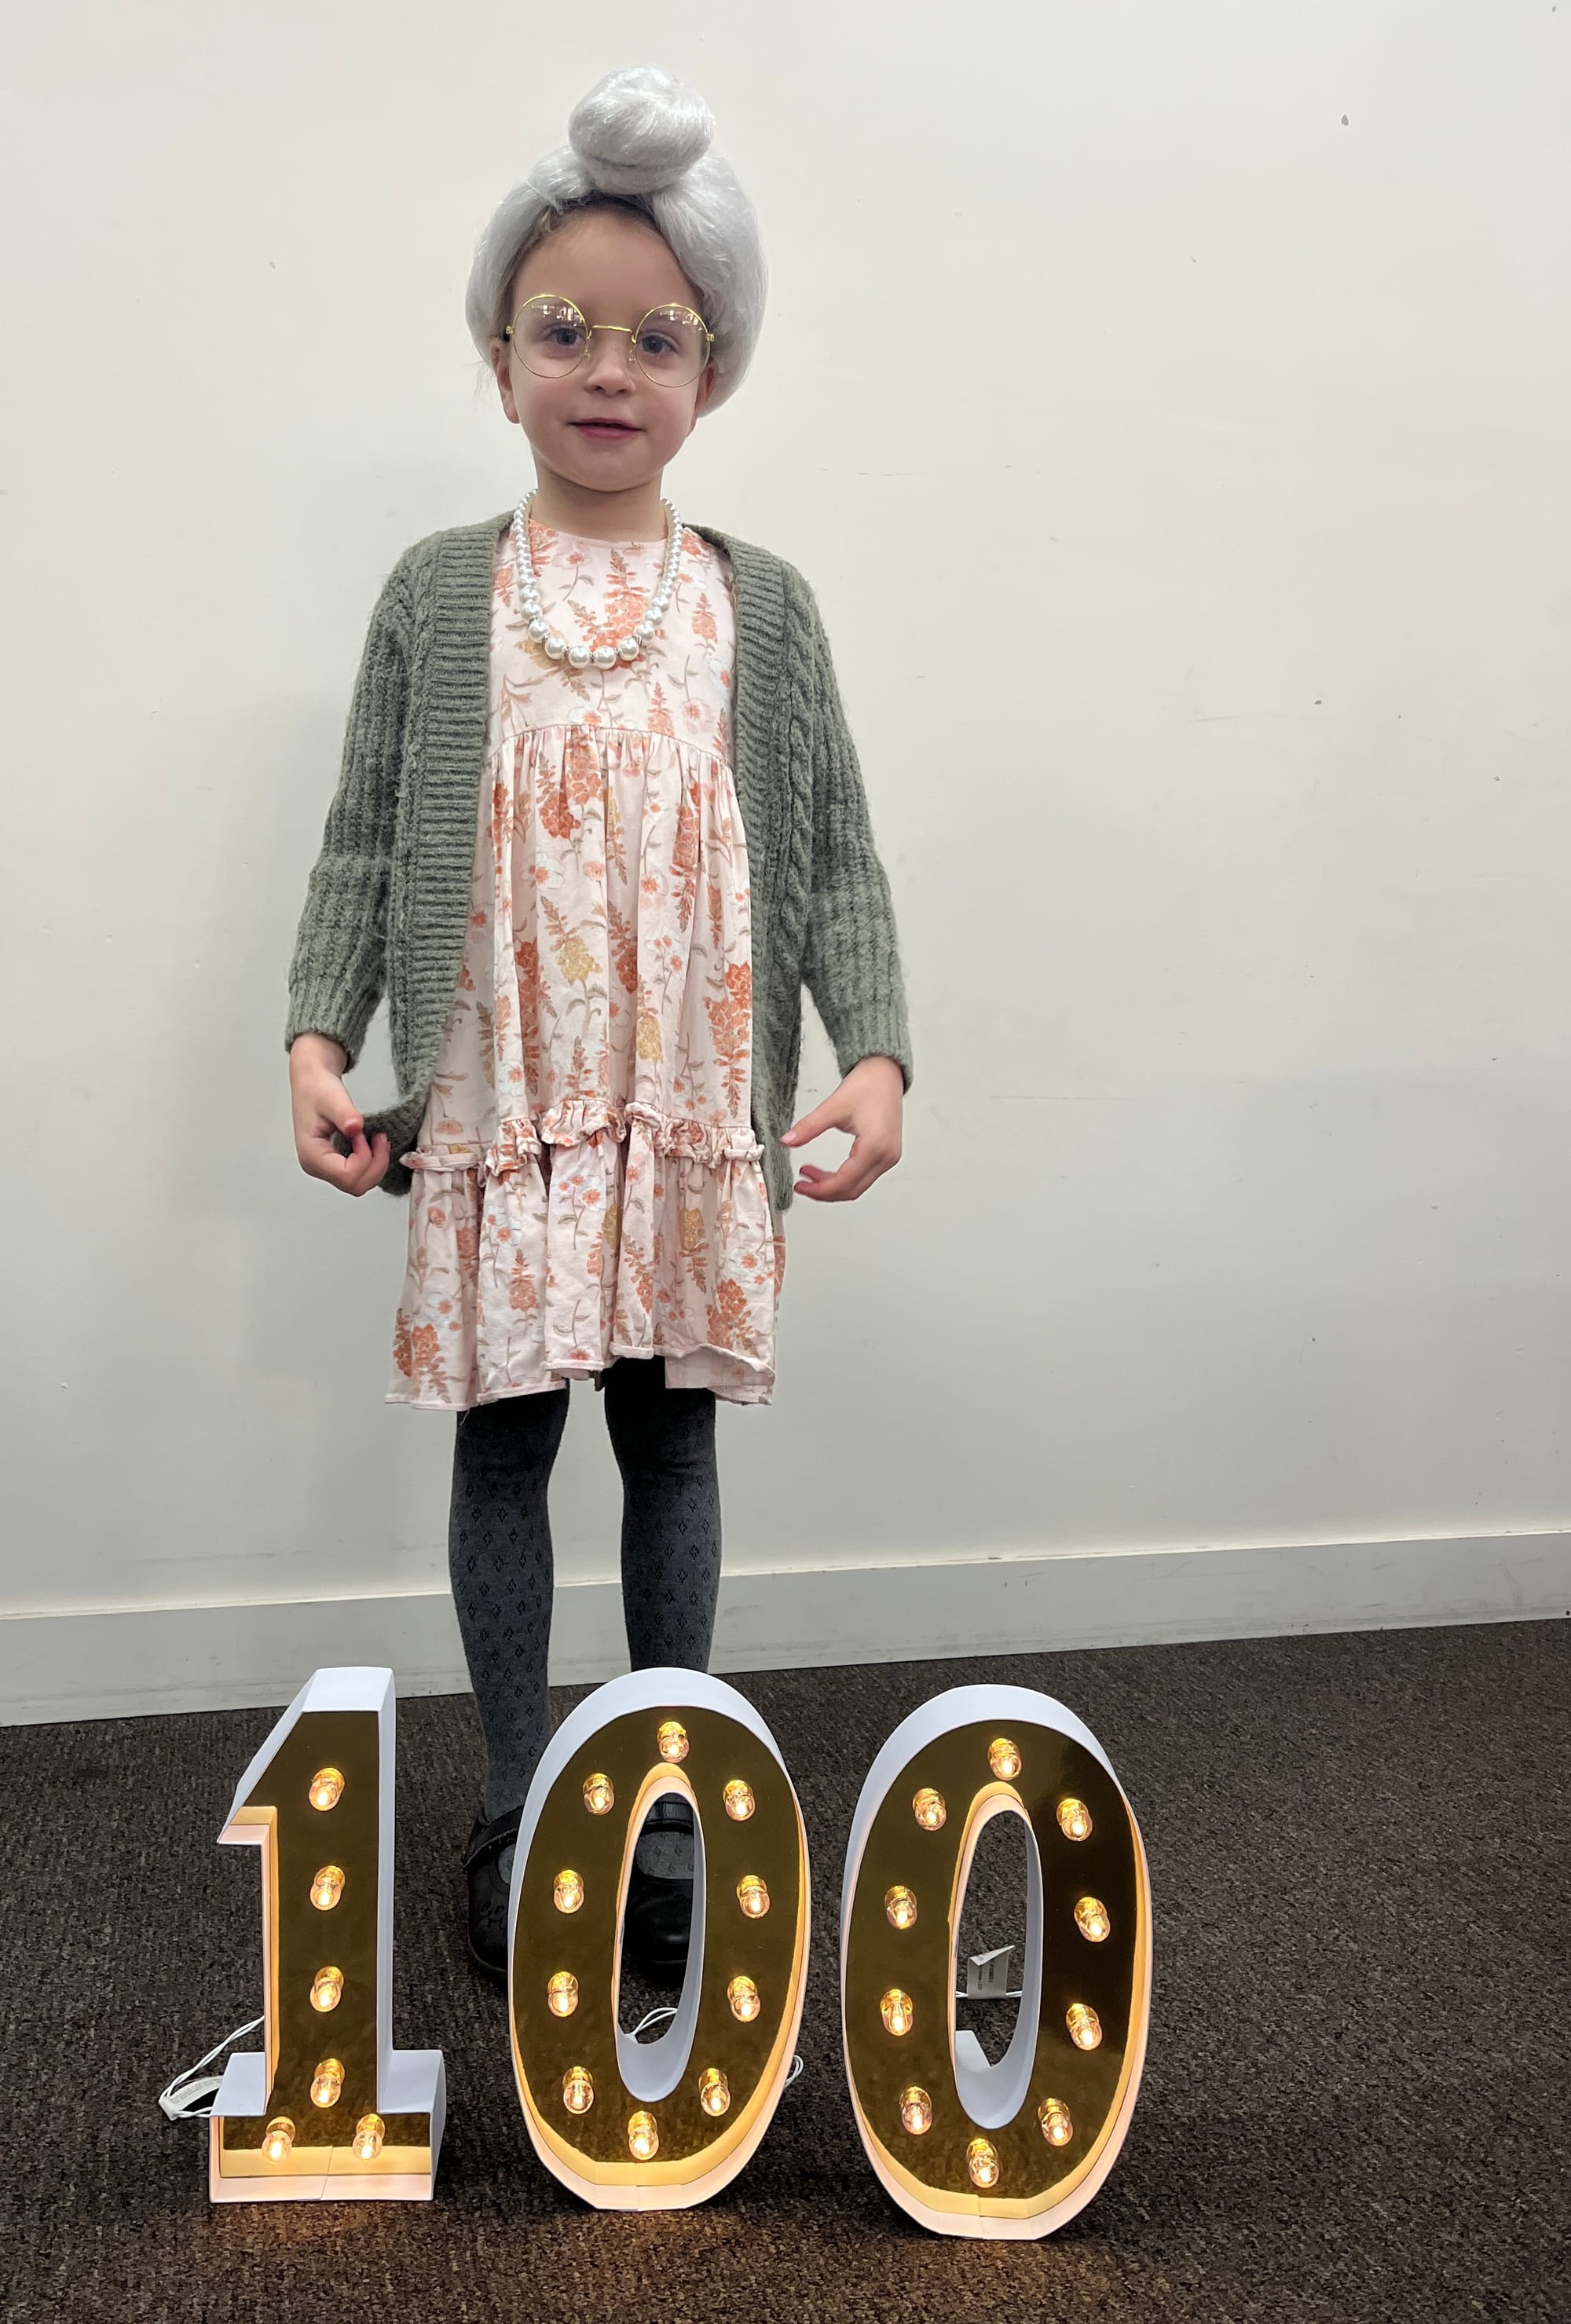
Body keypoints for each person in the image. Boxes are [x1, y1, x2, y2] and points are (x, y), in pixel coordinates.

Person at [284, 64, 913, 1985]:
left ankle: (665, 1785)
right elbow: (364, 831)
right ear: (500, 360)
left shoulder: (763, 610)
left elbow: (833, 862)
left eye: (657, 338)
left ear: (709, 374)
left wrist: (873, 1052)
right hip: (501, 1101)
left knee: (668, 1450)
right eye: (564, 330)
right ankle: (512, 1788)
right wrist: (321, 1033)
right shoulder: (438, 594)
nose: (608, 368)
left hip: (676, 1110)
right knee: (499, 1456)